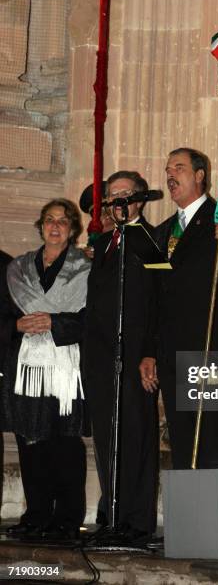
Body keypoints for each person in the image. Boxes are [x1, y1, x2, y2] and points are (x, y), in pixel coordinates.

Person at [140, 147, 218, 469]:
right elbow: (154, 297)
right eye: (168, 169)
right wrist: (150, 350)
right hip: (170, 353)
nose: (170, 175)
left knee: (211, 439)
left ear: (200, 176)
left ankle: (216, 518)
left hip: (210, 351)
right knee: (181, 441)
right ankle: (190, 517)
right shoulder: (161, 231)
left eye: (178, 168)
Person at [0, 199, 90, 541]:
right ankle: (36, 514)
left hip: (66, 366)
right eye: (49, 220)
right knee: (30, 440)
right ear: (40, 226)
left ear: (72, 229)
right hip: (25, 365)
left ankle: (67, 518)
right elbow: (3, 316)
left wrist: (55, 321)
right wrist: (17, 326)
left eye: (63, 221)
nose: (55, 226)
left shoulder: (87, 268)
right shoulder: (17, 269)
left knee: (65, 441)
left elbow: (94, 320)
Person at [84, 170, 159, 547]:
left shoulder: (151, 240)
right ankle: (112, 516)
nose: (117, 203)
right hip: (101, 356)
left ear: (140, 201)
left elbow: (158, 304)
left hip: (134, 355)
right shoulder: (103, 243)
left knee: (134, 436)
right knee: (107, 439)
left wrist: (150, 351)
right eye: (112, 196)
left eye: (125, 195)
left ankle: (135, 522)